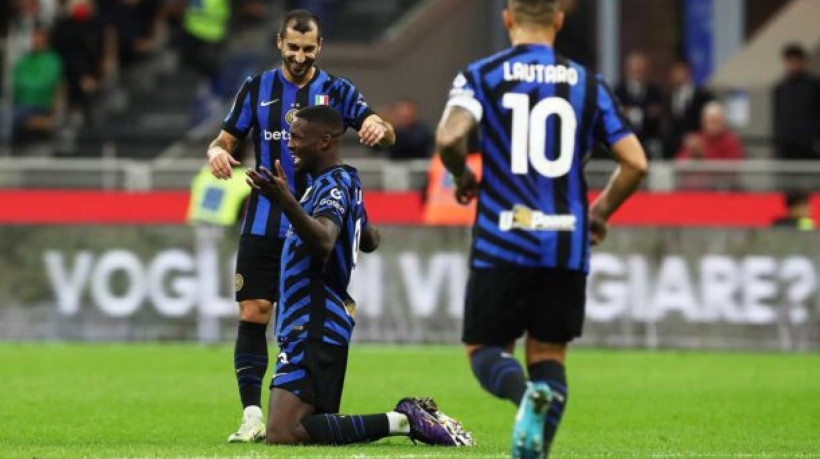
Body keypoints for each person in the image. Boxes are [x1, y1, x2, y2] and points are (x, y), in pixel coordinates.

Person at [434, 0, 648, 457]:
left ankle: (521, 395)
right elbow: (635, 162)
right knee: (549, 356)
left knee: (485, 349)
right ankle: (536, 444)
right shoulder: (589, 84)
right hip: (566, 242)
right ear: (559, 20)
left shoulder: (481, 74)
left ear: (508, 19)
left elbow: (450, 137)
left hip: (502, 238)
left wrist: (461, 175)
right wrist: (600, 212)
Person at [205, 10, 395, 443]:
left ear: (320, 47)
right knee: (254, 311)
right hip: (265, 220)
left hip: (316, 223)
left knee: (308, 316)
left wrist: (376, 126)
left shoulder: (339, 91)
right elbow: (224, 139)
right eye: (293, 48)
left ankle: (307, 404)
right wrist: (215, 153)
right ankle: (253, 414)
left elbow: (383, 130)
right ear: (279, 43)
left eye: (308, 50)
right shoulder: (257, 88)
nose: (300, 57)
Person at [246, 105, 472, 447]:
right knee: (301, 428)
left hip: (314, 319)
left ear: (324, 142)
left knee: (283, 432)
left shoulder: (334, 183)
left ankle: (403, 420)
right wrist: (354, 218)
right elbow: (370, 239)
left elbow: (323, 241)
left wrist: (286, 201)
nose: (289, 145)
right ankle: (403, 420)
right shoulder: (340, 182)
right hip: (312, 321)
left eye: (296, 138)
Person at [13, 24, 63, 139]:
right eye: (33, 36)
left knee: (8, 118)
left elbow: (45, 82)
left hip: (40, 105)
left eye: (37, 36)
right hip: (19, 104)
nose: (34, 39)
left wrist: (27, 83)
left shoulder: (52, 60)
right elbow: (16, 79)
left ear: (45, 38)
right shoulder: (24, 59)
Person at [773, 43, 820, 160]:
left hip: (809, 146)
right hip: (786, 146)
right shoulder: (781, 88)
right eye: (789, 61)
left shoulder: (815, 86)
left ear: (803, 62)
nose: (792, 65)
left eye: (795, 61)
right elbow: (778, 116)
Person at [615, 51, 664, 158]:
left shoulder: (654, 92)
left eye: (641, 68)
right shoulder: (618, 91)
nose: (638, 71)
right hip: (623, 143)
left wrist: (631, 112)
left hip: (648, 143)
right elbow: (615, 113)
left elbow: (656, 113)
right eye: (635, 68)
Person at [664, 59, 714, 158]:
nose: (676, 75)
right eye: (674, 71)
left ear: (688, 72)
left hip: (698, 149)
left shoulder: (703, 96)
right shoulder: (668, 97)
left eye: (679, 71)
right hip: (674, 150)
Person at [676, 102, 743, 161]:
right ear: (702, 121)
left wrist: (702, 155)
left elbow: (731, 169)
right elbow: (679, 165)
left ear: (723, 122)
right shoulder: (696, 139)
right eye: (709, 121)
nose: (712, 125)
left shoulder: (731, 142)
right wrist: (692, 154)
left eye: (716, 121)